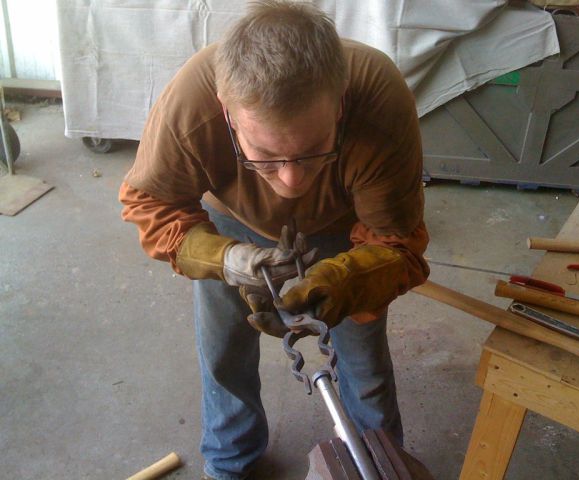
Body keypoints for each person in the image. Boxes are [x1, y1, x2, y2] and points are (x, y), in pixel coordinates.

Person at [119, 1, 429, 479]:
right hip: (231, 223)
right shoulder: (193, 102)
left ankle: (379, 466)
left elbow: (395, 241)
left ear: (340, 104)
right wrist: (223, 257)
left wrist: (349, 278)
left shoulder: (379, 98)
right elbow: (150, 203)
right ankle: (229, 461)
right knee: (224, 352)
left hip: (346, 232)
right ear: (227, 112)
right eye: (264, 155)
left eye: (311, 152)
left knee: (362, 361)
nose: (289, 181)